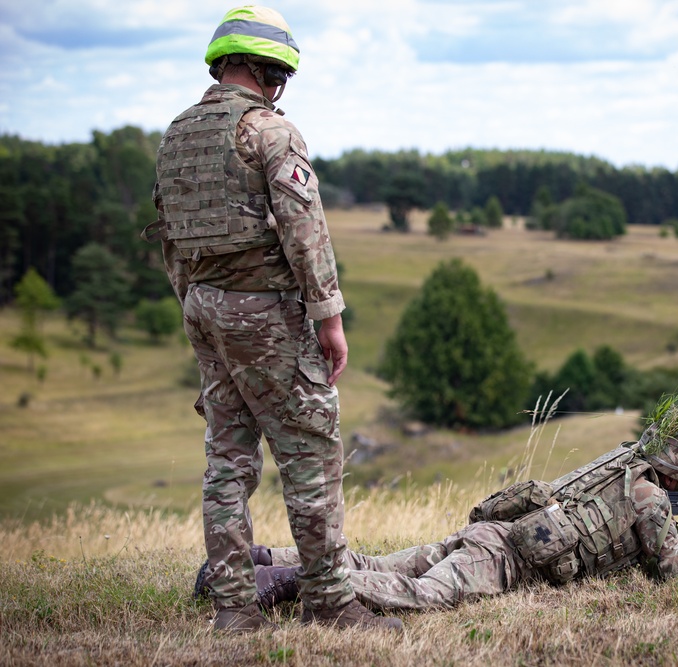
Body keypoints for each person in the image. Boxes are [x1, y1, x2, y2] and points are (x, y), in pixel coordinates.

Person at [146, 6, 400, 633]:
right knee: (310, 451)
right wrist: (329, 318)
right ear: (270, 72)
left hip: (203, 306)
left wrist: (195, 309)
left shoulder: (177, 135)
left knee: (227, 455)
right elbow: (305, 231)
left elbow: (170, 239)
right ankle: (331, 600)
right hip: (265, 312)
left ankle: (233, 607)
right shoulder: (270, 134)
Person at [225, 397, 678, 613]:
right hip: (502, 560)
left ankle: (262, 557)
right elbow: (670, 566)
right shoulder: (652, 497)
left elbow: (648, 542)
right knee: (422, 596)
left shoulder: (625, 468)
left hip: (492, 535)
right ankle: (293, 581)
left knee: (380, 562)